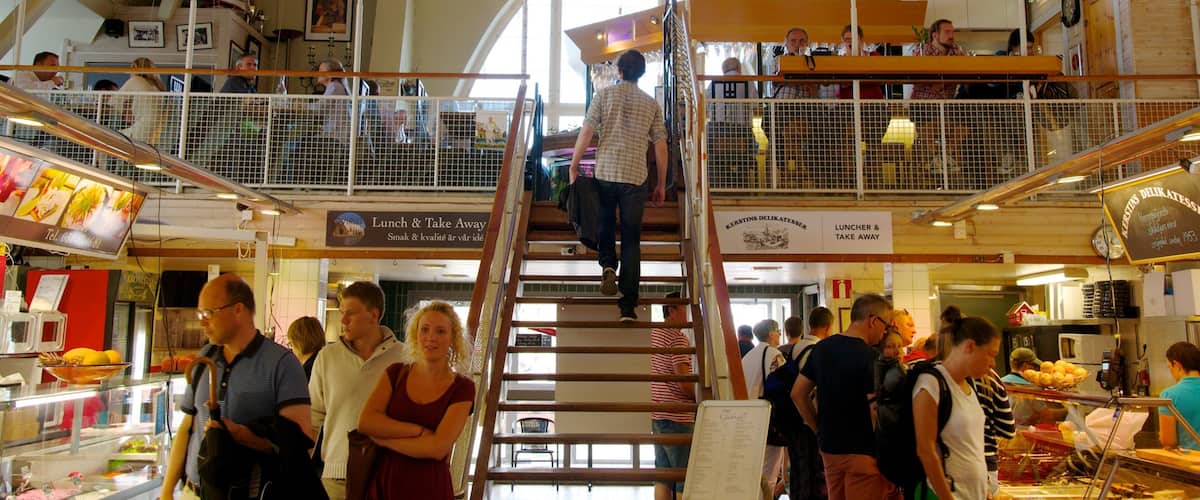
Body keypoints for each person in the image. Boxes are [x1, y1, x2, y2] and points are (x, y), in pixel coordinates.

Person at [160, 274, 312, 500]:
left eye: (208, 313)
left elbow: (300, 445)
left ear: (238, 309)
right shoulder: (205, 359)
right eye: (200, 314)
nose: (202, 322)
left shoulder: (281, 364)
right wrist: (167, 491)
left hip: (248, 493)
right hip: (194, 491)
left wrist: (244, 435)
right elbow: (187, 428)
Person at [568, 49, 668, 321]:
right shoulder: (651, 104)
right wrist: (661, 183)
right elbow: (660, 145)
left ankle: (608, 265)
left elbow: (587, 131)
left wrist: (574, 165)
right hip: (635, 178)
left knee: (605, 222)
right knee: (632, 239)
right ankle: (628, 306)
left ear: (619, 70)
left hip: (606, 172)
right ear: (642, 73)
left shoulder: (603, 96)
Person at [358, 301, 475, 500]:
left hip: (431, 487)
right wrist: (418, 432)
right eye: (425, 329)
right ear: (415, 334)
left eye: (440, 331)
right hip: (387, 484)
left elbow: (438, 448)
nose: (431, 337)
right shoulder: (395, 374)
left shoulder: (463, 388)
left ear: (453, 338)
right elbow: (366, 422)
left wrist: (384, 439)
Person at [309, 282, 408, 499]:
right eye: (342, 313)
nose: (343, 320)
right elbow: (313, 418)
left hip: (389, 473)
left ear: (374, 315)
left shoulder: (404, 357)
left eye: (350, 313)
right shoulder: (327, 357)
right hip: (337, 476)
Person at [793, 294, 893, 500]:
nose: (885, 332)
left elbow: (798, 393)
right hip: (863, 453)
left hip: (830, 450)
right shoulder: (872, 358)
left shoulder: (821, 348)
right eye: (886, 325)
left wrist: (818, 430)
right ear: (873, 321)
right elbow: (876, 412)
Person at [911, 315, 1002, 500]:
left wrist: (984, 488)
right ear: (969, 346)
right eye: (991, 354)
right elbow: (926, 451)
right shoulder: (931, 383)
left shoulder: (970, 385)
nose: (993, 363)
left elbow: (972, 446)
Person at [650, 292, 695, 499]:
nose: (688, 315)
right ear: (672, 310)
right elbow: (683, 380)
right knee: (685, 477)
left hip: (658, 414)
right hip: (678, 416)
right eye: (685, 309)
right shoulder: (678, 338)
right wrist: (699, 399)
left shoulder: (654, 334)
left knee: (663, 476)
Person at [787, 306, 834, 500]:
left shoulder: (796, 347)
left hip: (792, 417)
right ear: (828, 327)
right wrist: (817, 425)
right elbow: (811, 390)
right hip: (808, 420)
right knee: (814, 476)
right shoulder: (817, 350)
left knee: (798, 472)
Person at [911, 19, 968, 176]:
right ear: (935, 35)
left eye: (952, 32)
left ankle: (943, 156)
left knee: (965, 126)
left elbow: (965, 70)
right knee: (928, 126)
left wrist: (941, 82)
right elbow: (917, 76)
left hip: (948, 103)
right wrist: (942, 80)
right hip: (924, 102)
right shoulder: (923, 50)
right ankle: (939, 158)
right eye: (947, 32)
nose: (951, 35)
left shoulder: (956, 50)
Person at [741, 319, 786, 498]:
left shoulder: (748, 357)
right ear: (771, 334)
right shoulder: (774, 354)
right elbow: (783, 385)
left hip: (748, 419)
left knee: (753, 473)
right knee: (769, 475)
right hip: (767, 420)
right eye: (778, 331)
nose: (780, 335)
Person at [113, 57, 167, 145]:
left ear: (135, 68)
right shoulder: (157, 87)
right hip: (152, 134)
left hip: (139, 131)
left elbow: (113, 103)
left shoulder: (136, 80)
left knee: (104, 136)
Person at [1159, 342, 1200, 451]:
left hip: (1190, 458)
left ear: (1177, 365)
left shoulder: (1169, 395)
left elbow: (1168, 441)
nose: (1171, 372)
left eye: (1169, 367)